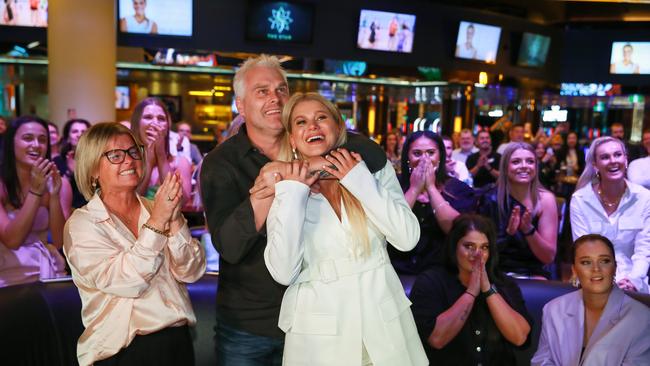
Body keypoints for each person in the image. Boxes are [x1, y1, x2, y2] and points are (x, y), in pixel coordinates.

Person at [200, 55, 388, 365]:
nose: (275, 98)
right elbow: (230, 246)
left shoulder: (324, 145)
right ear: (241, 105)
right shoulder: (222, 163)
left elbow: (372, 154)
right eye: (262, 91)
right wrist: (272, 187)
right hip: (251, 326)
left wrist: (305, 165)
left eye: (281, 89)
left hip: (317, 319)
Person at [264, 92, 428, 365]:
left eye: (321, 118)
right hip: (321, 339)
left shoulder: (372, 170)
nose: (313, 126)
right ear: (292, 139)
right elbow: (282, 272)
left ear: (338, 127)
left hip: (384, 329)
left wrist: (358, 180)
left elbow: (407, 238)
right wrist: (293, 190)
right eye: (301, 122)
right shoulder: (283, 187)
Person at [63, 122, 206, 366]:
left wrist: (172, 221)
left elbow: (191, 271)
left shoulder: (157, 207)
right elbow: (127, 282)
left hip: (177, 340)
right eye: (116, 155)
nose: (129, 160)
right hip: (123, 351)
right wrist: (159, 220)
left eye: (133, 152)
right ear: (93, 170)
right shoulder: (83, 224)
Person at [410, 214, 531, 365]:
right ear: (454, 246)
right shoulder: (431, 282)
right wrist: (471, 292)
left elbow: (520, 338)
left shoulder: (504, 284)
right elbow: (436, 339)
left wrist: (487, 289)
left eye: (484, 248)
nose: (477, 255)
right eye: (469, 246)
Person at [532, 234, 650, 365]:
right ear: (575, 270)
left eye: (604, 261)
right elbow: (542, 361)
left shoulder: (642, 318)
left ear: (614, 268)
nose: (596, 269)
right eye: (586, 262)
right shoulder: (553, 310)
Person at [388, 131, 475, 276]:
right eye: (417, 153)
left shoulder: (458, 189)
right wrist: (414, 189)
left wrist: (431, 188)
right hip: (396, 269)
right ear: (407, 158)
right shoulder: (391, 185)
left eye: (430, 152)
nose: (424, 159)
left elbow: (458, 232)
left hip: (443, 272)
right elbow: (390, 227)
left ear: (440, 156)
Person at [571, 136, 650, 293]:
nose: (613, 161)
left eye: (617, 155)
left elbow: (644, 250)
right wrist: (606, 283)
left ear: (626, 160)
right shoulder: (580, 200)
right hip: (592, 282)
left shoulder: (644, 198)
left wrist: (631, 280)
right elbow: (583, 251)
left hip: (634, 284)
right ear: (595, 165)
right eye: (605, 157)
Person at [0, 116, 72, 287]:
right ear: (11, 142)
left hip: (47, 269)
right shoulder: (2, 183)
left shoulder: (59, 182)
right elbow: (12, 240)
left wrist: (54, 197)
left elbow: (59, 241)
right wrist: (35, 192)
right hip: (8, 273)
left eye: (42, 140)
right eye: (27, 138)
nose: (36, 145)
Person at [478, 143, 558, 279]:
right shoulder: (490, 198)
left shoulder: (546, 200)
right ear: (505, 167)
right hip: (496, 271)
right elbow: (481, 252)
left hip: (532, 272)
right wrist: (508, 234)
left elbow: (548, 257)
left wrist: (529, 230)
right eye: (516, 162)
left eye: (530, 161)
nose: (524, 166)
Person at [130, 98, 192, 205]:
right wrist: (149, 162)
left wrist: (161, 156)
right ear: (136, 124)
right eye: (148, 117)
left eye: (161, 118)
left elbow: (178, 202)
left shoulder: (181, 163)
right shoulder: (127, 162)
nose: (155, 123)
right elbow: (131, 201)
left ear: (167, 126)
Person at [54, 118, 91, 209]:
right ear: (68, 138)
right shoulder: (58, 161)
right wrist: (69, 172)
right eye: (75, 131)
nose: (79, 134)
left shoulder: (96, 159)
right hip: (66, 210)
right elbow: (56, 190)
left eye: (83, 131)